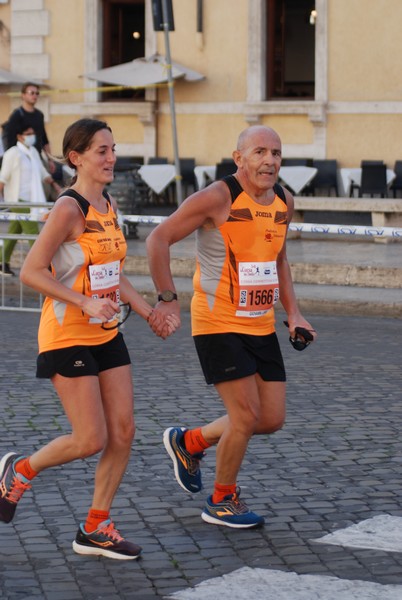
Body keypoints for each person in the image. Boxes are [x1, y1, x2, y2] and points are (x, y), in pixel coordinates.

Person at [0, 118, 178, 560]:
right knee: (90, 438)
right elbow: (30, 271)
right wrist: (82, 302)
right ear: (76, 158)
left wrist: (148, 310)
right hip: (66, 334)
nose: (111, 157)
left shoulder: (109, 205)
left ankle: (96, 526)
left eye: (113, 149)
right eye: (102, 150)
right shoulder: (68, 209)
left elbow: (111, 275)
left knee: (124, 431)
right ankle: (18, 469)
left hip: (106, 332)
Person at [146, 125, 317, 529]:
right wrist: (168, 298)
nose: (270, 160)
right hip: (217, 322)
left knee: (270, 418)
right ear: (239, 157)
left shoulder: (283, 202)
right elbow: (157, 239)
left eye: (276, 152)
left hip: (260, 325)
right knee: (244, 416)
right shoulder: (217, 198)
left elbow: (279, 261)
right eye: (260, 151)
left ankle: (189, 442)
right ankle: (221, 500)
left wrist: (293, 313)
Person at [0, 122, 61, 276]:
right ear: (19, 136)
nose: (31, 137)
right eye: (28, 134)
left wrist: (55, 185)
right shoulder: (12, 153)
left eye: (32, 134)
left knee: (14, 232)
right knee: (34, 233)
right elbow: (3, 178)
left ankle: (2, 262)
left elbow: (42, 173)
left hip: (32, 199)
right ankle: (43, 267)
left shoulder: (33, 151)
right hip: (17, 200)